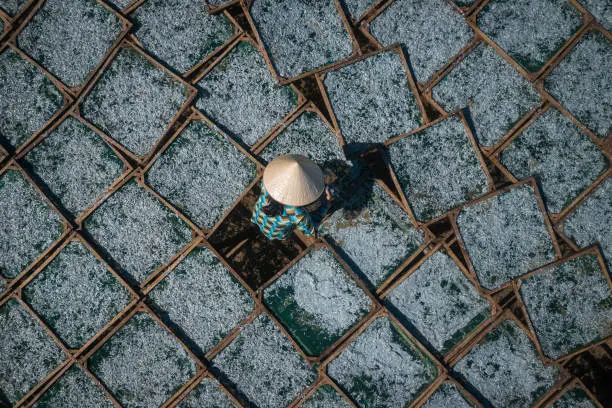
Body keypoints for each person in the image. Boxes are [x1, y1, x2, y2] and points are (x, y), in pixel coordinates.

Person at [251, 154, 333, 240]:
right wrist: (327, 203)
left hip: (257, 218)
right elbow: (311, 231)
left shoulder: (266, 186)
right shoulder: (297, 214)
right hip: (275, 233)